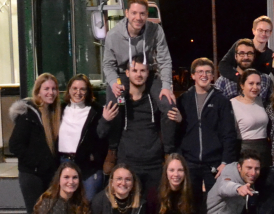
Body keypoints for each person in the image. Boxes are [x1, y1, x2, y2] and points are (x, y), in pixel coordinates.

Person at [104, 59, 179, 198]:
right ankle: (111, 150)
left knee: (154, 205)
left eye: (142, 71)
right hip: (127, 161)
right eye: (135, 70)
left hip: (153, 162)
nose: (139, 74)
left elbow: (170, 123)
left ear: (148, 73)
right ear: (127, 73)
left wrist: (179, 120)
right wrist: (105, 120)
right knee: (129, 204)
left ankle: (168, 153)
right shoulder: (122, 101)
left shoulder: (154, 99)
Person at [171, 58, 240, 204]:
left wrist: (226, 161)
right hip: (189, 162)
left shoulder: (221, 100)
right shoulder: (183, 100)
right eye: (200, 72)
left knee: (216, 203)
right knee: (190, 203)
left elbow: (229, 133)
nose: (204, 75)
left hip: (214, 162)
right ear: (193, 75)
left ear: (213, 76)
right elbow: (178, 133)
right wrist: (179, 157)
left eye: (208, 72)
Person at [9, 73, 62, 214]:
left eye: (54, 89)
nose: (50, 93)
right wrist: (37, 164)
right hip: (32, 175)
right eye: (46, 89)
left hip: (49, 174)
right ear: (38, 91)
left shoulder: (55, 113)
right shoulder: (28, 114)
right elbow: (15, 145)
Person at [101, 0, 175, 105]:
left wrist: (166, 86)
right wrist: (113, 82)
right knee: (114, 105)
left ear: (147, 15)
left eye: (142, 13)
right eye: (134, 13)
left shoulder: (155, 30)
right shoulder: (113, 35)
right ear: (127, 13)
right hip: (123, 74)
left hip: (148, 73)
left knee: (168, 103)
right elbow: (108, 64)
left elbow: (164, 60)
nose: (138, 17)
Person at [59, 74, 117, 202]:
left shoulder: (97, 111)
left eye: (82, 89)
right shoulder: (60, 109)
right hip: (64, 163)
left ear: (88, 91)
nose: (78, 92)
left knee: (89, 203)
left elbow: (102, 137)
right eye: (74, 88)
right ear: (69, 90)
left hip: (89, 166)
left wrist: (105, 121)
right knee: (66, 204)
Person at [219, 15, 274, 81]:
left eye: (267, 31)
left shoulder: (270, 56)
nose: (263, 34)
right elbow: (223, 65)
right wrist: (239, 78)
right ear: (253, 31)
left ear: (270, 33)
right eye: (260, 30)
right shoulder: (241, 45)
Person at [230, 69, 271, 171]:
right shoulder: (232, 104)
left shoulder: (261, 101)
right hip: (244, 152)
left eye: (258, 84)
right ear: (242, 85)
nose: (255, 87)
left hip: (264, 151)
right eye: (251, 83)